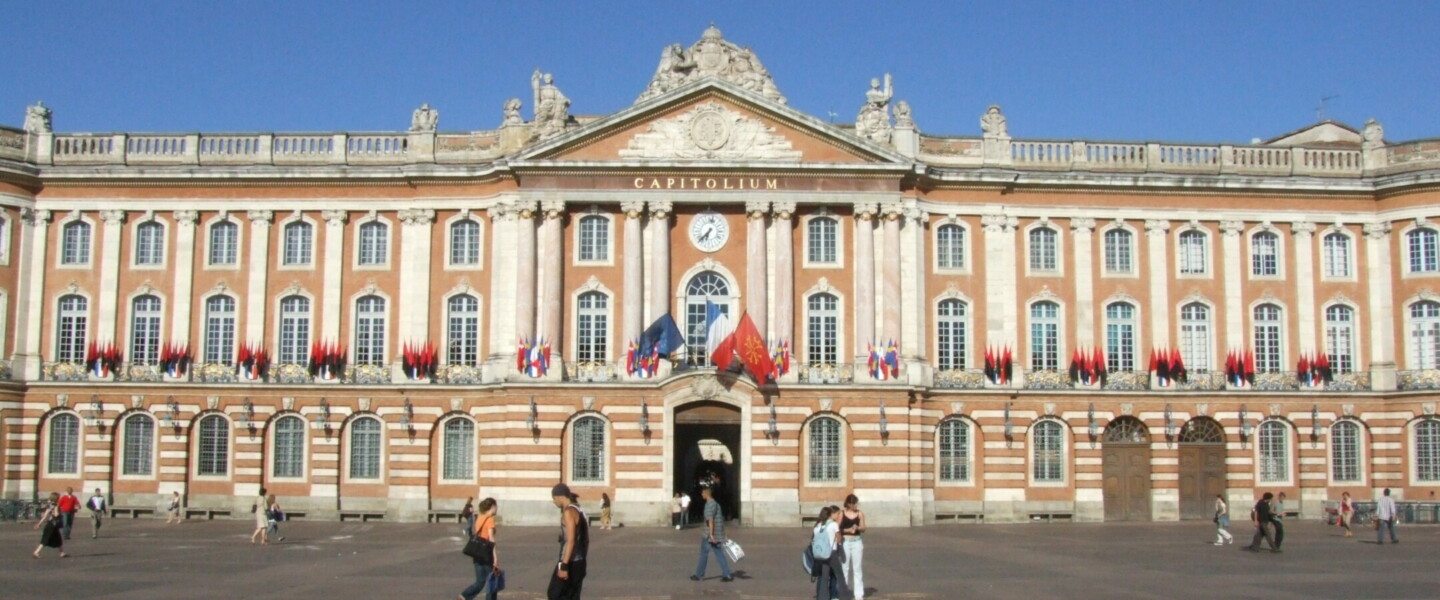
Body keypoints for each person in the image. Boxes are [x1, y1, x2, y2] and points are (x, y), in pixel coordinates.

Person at [547, 483, 588, 600]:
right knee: (573, 595)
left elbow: (571, 541)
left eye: (554, 499)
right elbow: (585, 539)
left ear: (560, 497)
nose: (554, 502)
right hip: (580, 560)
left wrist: (564, 565)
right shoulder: (579, 510)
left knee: (555, 593)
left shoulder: (568, 512)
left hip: (570, 561)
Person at [459, 497, 500, 600]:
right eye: (496, 506)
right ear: (492, 507)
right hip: (487, 553)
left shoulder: (480, 517)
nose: (497, 509)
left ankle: (464, 596)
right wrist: (495, 558)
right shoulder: (490, 520)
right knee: (492, 581)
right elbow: (491, 539)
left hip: (477, 552)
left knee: (480, 581)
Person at [690, 486, 732, 583]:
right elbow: (719, 520)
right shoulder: (716, 504)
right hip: (716, 534)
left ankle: (699, 575)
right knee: (719, 553)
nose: (701, 495)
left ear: (706, 494)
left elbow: (710, 520)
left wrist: (711, 535)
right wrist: (722, 534)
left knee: (704, 554)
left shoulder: (709, 504)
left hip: (709, 535)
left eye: (702, 493)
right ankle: (727, 574)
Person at [814, 505, 853, 600]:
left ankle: (822, 597)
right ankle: (844, 596)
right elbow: (839, 539)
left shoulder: (818, 526)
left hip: (821, 554)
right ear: (832, 514)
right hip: (832, 552)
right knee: (839, 575)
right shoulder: (833, 524)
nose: (839, 515)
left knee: (824, 576)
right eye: (838, 513)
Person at [840, 494, 867, 600]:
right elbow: (838, 529)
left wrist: (858, 528)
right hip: (845, 541)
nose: (856, 505)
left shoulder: (860, 513)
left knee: (857, 568)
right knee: (844, 567)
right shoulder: (842, 514)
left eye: (856, 503)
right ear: (848, 504)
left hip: (857, 542)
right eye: (854, 503)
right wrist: (848, 530)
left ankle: (859, 594)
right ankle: (843, 591)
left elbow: (864, 528)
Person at [33, 493, 67, 559]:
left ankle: (62, 552)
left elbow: (45, 516)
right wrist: (58, 510)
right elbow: (56, 515)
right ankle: (36, 552)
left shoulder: (50, 505)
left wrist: (39, 524)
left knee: (58, 539)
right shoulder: (56, 505)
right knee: (46, 539)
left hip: (50, 524)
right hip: (53, 525)